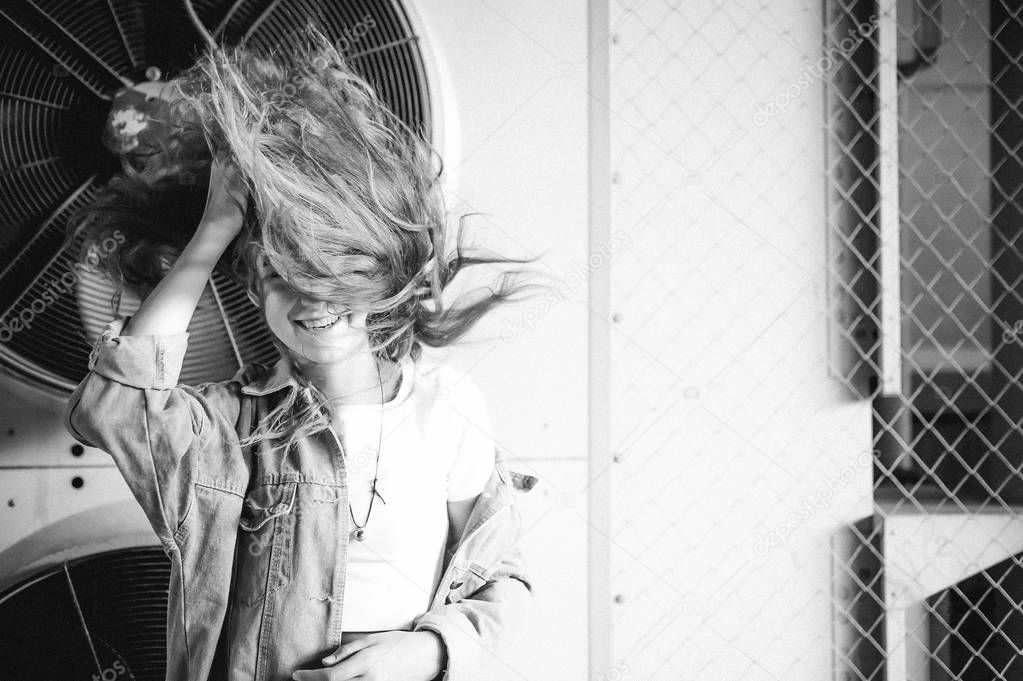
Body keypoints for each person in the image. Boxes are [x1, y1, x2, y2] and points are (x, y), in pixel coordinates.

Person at [63, 26, 543, 681]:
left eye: (329, 267)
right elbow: (118, 406)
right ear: (255, 287)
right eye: (282, 272)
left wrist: (427, 650)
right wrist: (214, 229)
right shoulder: (231, 427)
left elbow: (500, 578)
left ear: (374, 274)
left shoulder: (446, 405)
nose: (312, 295)